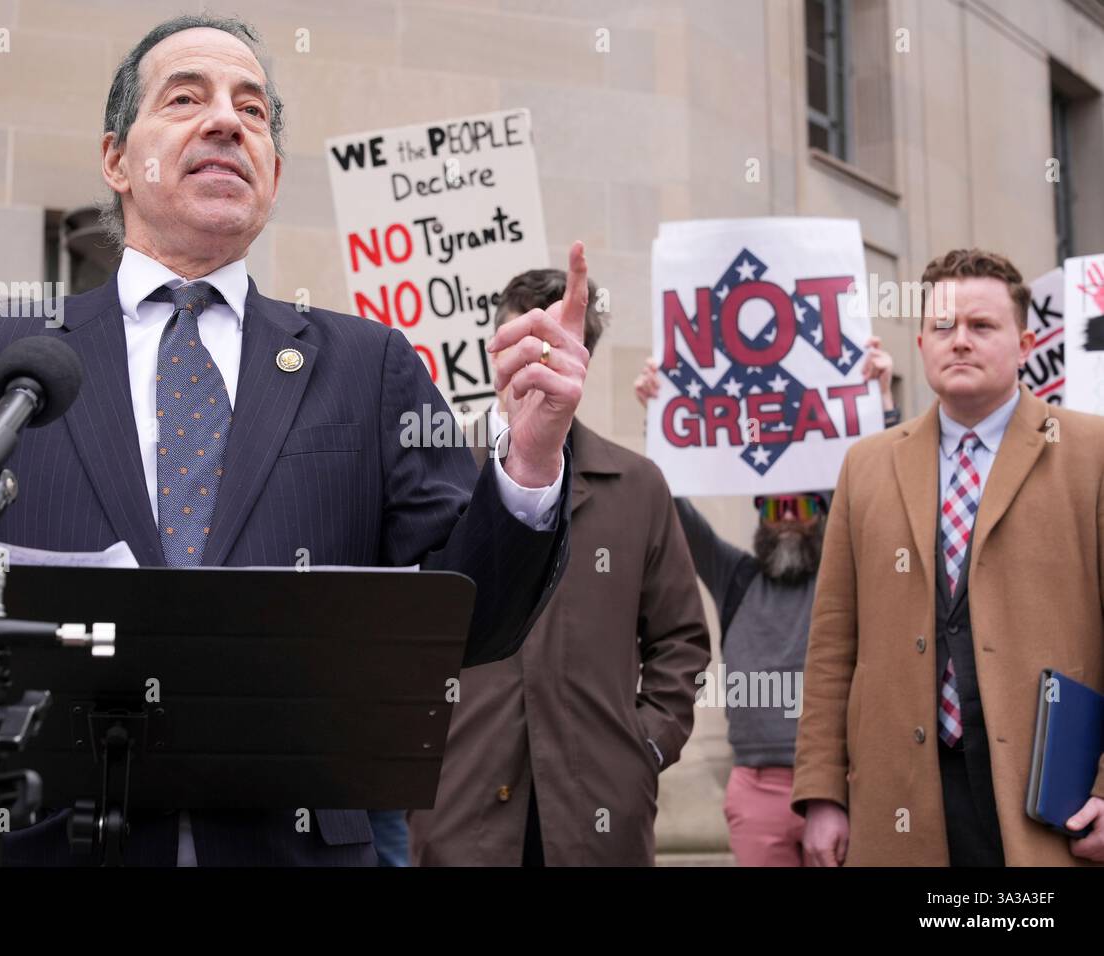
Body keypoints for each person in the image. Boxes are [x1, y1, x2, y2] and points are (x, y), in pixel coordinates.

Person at [0, 14, 592, 867]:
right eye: (185, 98)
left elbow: (473, 620)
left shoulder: (369, 365)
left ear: (273, 173)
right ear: (115, 161)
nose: (226, 122)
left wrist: (531, 457)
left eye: (253, 111)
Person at [794, 248, 1104, 866]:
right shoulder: (867, 465)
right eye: (944, 327)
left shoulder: (1091, 454)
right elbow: (832, 644)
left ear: (1025, 341)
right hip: (902, 800)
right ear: (921, 342)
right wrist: (823, 792)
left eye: (982, 326)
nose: (960, 341)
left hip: (1048, 804)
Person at [407, 269, 710, 866]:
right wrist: (417, 763)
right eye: (523, 345)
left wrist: (644, 749)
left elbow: (681, 641)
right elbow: (398, 635)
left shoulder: (638, 485)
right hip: (462, 810)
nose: (536, 368)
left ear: (584, 361)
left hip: (600, 814)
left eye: (556, 350)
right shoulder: (434, 471)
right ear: (494, 348)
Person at [632, 339, 897, 866]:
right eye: (776, 506)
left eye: (803, 505)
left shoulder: (846, 572)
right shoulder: (736, 575)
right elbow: (674, 510)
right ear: (761, 516)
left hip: (842, 787)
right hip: (756, 788)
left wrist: (883, 403)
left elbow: (892, 498)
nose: (790, 517)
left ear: (823, 515)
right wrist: (660, 419)